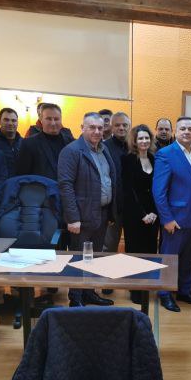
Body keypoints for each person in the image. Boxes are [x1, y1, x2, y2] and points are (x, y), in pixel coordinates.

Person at [58, 112, 118, 307]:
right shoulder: (71, 151)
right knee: (79, 257)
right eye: (92, 127)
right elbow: (65, 186)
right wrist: (72, 218)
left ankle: (89, 292)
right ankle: (75, 298)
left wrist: (111, 212)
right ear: (82, 128)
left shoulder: (103, 149)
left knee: (94, 256)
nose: (97, 131)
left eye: (100, 128)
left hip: (101, 213)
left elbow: (108, 180)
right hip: (81, 217)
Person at [153, 117, 191, 312]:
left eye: (190, 129)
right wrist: (166, 218)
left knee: (188, 257)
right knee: (169, 258)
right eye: (182, 128)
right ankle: (164, 293)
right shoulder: (165, 154)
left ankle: (185, 290)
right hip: (175, 219)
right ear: (176, 132)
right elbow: (159, 191)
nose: (186, 132)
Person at [121, 124, 159, 304]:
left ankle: (146, 286)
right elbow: (128, 191)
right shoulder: (127, 159)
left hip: (153, 213)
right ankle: (135, 289)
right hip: (134, 213)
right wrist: (142, 214)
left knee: (150, 250)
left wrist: (154, 212)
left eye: (147, 138)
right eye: (140, 138)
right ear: (134, 141)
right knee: (135, 251)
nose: (144, 141)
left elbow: (158, 188)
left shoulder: (154, 158)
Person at [15, 104, 74, 180]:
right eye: (48, 119)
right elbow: (22, 176)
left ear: (61, 120)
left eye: (56, 119)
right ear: (41, 120)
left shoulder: (71, 143)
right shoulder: (29, 144)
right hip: (40, 187)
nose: (53, 123)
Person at [102, 111, 132, 257]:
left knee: (134, 246)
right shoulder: (103, 147)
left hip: (133, 206)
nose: (121, 128)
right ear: (111, 127)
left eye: (125, 125)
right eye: (117, 125)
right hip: (113, 206)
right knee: (109, 246)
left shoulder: (135, 146)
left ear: (129, 126)